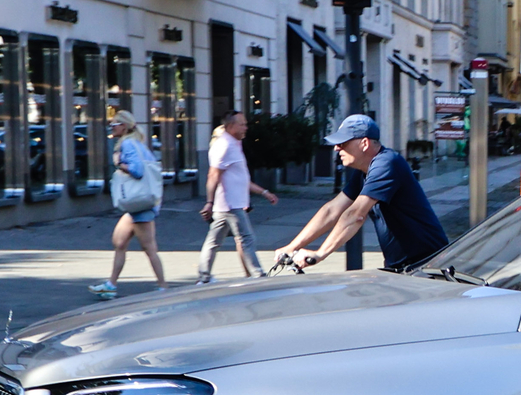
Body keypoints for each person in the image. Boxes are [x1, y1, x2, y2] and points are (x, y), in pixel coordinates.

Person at [280, 114, 448, 273]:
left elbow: (356, 214)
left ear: (364, 143)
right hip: (400, 266)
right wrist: (292, 247)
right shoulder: (364, 172)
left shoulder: (387, 164)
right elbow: (331, 210)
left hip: (428, 264)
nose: (336, 148)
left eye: (343, 143)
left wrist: (320, 254)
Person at [192, 108, 277, 285]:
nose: (246, 128)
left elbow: (241, 178)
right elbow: (213, 174)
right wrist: (209, 201)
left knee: (214, 241)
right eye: (242, 124)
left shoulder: (233, 144)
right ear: (231, 126)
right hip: (230, 204)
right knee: (246, 238)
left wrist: (264, 192)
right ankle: (258, 275)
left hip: (230, 203)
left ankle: (204, 276)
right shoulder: (224, 145)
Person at [94, 114, 168, 296]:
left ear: (125, 126)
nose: (112, 128)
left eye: (114, 125)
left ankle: (163, 287)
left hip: (140, 206)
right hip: (138, 204)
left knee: (149, 248)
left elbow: (137, 170)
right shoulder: (139, 144)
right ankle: (111, 285)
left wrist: (120, 164)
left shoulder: (128, 145)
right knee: (119, 242)